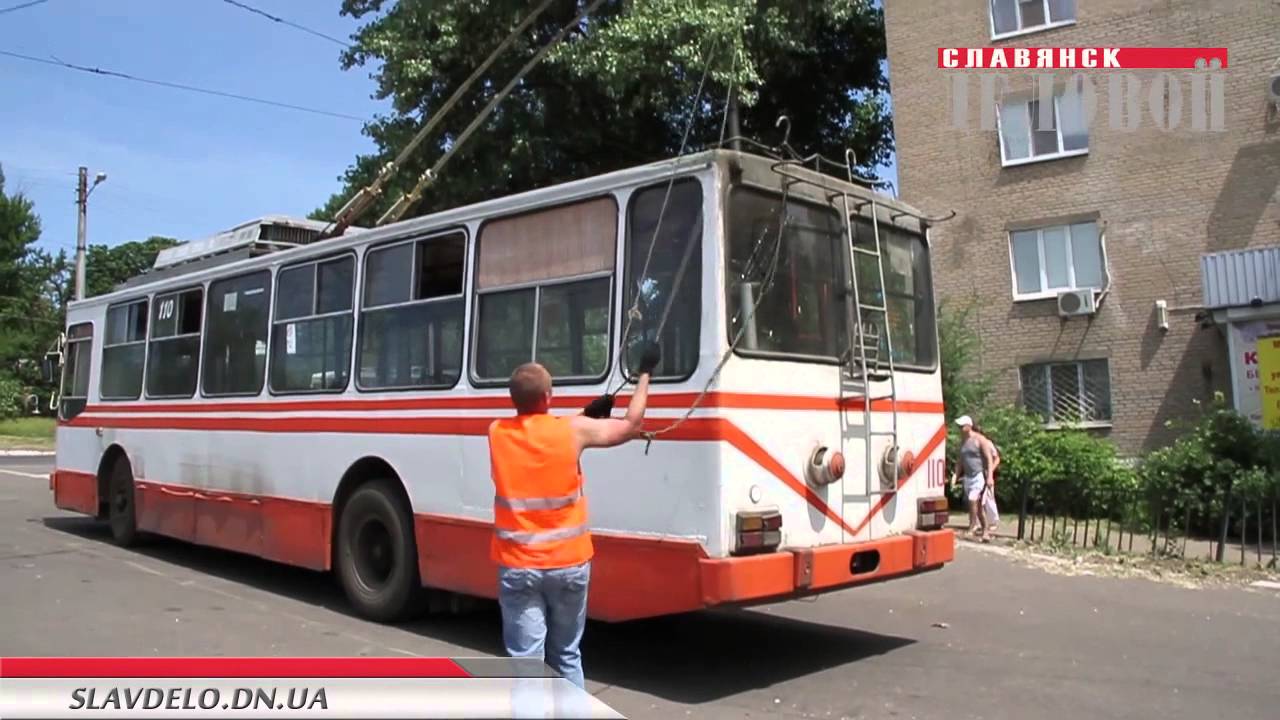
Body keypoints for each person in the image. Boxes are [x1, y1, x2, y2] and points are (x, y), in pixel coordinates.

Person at [487, 342, 661, 690]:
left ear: (513, 399)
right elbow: (631, 424)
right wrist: (645, 374)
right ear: (549, 397)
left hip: (519, 567)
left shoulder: (496, 433)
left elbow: (539, 430)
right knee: (567, 654)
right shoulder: (572, 431)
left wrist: (585, 415)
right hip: (569, 565)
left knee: (528, 665)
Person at [949, 415, 998, 542]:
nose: (959, 428)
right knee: (976, 506)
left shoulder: (979, 439)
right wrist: (955, 475)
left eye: (962, 426)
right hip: (968, 477)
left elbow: (989, 459)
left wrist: (990, 477)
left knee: (973, 500)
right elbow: (960, 461)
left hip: (979, 475)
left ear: (969, 426)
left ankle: (976, 526)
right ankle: (983, 530)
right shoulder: (963, 442)